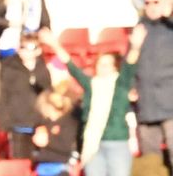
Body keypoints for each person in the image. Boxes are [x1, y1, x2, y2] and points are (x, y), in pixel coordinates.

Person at [40, 24, 147, 176]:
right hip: (93, 145)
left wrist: (136, 46)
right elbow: (71, 66)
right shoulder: (91, 84)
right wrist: (55, 45)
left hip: (117, 143)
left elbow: (130, 64)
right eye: (101, 64)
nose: (104, 68)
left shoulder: (120, 84)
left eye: (108, 65)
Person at [134, 0, 173, 167]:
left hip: (170, 105)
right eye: (147, 2)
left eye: (156, 2)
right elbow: (131, 63)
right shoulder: (140, 29)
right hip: (146, 105)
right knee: (151, 162)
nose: (151, 6)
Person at [0, 33, 52, 159]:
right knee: (19, 162)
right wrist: (3, 122)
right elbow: (4, 96)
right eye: (23, 48)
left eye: (31, 48)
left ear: (38, 50)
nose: (26, 52)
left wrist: (46, 123)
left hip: (39, 124)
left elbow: (47, 94)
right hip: (18, 125)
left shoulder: (42, 70)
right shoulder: (10, 68)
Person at [31, 86, 80, 176]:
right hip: (43, 166)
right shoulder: (45, 122)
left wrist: (47, 141)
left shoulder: (69, 122)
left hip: (60, 167)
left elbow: (67, 147)